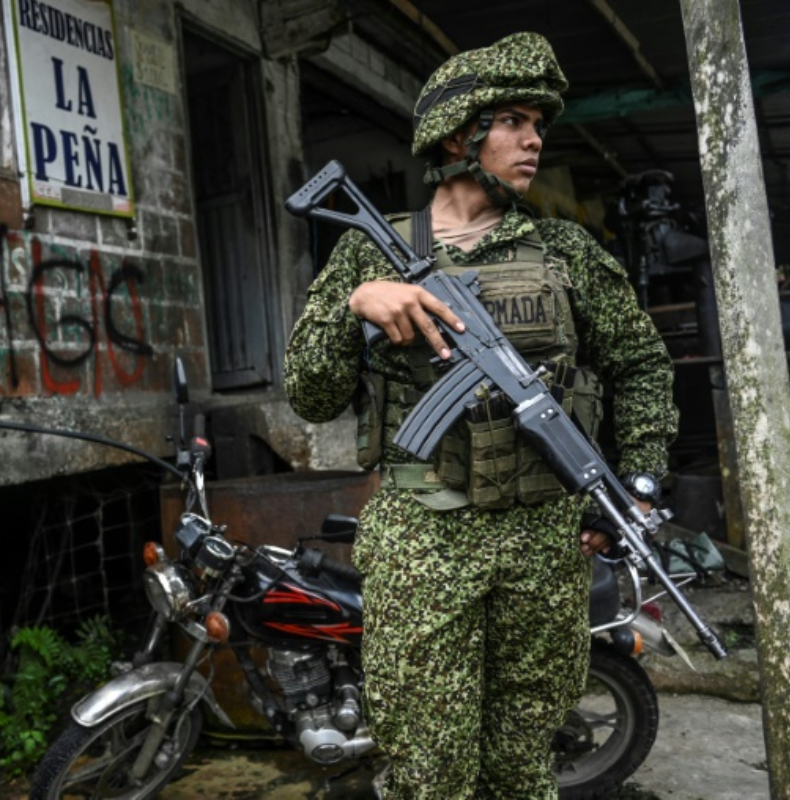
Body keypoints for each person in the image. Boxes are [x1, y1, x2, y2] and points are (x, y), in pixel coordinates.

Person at [283, 32, 677, 800]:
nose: (534, 140)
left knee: (525, 765)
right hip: (426, 536)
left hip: (543, 544)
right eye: (514, 121)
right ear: (460, 133)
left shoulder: (567, 252)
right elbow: (311, 394)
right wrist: (353, 307)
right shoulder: (372, 253)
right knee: (430, 772)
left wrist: (637, 479)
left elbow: (640, 367)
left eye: (539, 125)